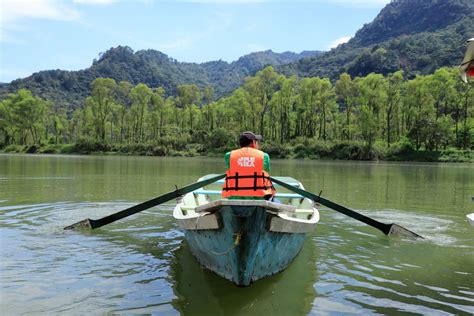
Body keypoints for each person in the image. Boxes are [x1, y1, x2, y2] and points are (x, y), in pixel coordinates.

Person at [222, 131, 277, 201]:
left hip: (234, 199)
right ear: (253, 143)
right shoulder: (264, 156)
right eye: (257, 142)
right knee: (276, 201)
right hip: (260, 199)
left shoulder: (229, 156)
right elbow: (266, 171)